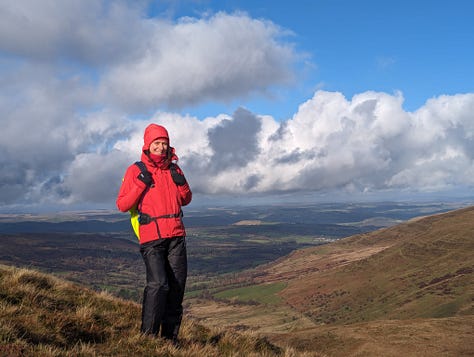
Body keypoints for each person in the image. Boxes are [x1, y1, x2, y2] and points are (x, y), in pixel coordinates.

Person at [116, 123, 192, 343]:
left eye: (164, 143)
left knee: (176, 288)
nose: (161, 147)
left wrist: (183, 184)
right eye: (157, 143)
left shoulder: (175, 169)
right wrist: (140, 185)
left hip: (177, 235)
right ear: (147, 145)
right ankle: (147, 337)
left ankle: (170, 339)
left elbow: (186, 200)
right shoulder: (136, 170)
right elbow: (122, 204)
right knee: (158, 285)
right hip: (152, 238)